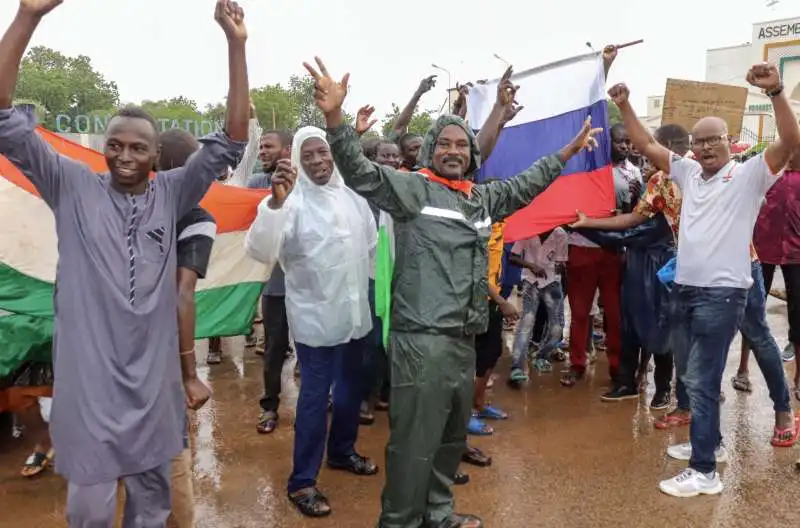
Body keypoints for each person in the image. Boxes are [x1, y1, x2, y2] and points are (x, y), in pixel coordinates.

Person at [303, 56, 601, 528]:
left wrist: (569, 151)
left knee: (447, 436)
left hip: (463, 340)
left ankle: (437, 512)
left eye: (461, 145)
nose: (453, 150)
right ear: (430, 151)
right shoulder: (411, 192)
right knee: (413, 441)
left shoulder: (481, 200)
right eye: (444, 143)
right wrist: (336, 119)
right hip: (420, 341)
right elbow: (359, 172)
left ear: (472, 154)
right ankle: (399, 520)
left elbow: (527, 185)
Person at [0, 1, 250, 525]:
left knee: (151, 514)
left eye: (138, 146)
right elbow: (3, 117)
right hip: (88, 390)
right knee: (88, 512)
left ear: (156, 156)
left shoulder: (173, 194)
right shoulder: (70, 186)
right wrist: (27, 17)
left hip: (154, 392)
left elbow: (232, 139)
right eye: (115, 144)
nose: (125, 154)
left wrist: (236, 45)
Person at [610, 61, 800, 498]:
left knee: (700, 376)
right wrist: (624, 104)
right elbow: (644, 142)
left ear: (729, 143)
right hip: (684, 291)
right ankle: (710, 445)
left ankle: (705, 472)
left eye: (714, 139)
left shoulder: (749, 174)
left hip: (723, 295)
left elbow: (789, 141)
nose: (706, 147)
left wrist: (776, 93)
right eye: (699, 141)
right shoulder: (688, 172)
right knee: (697, 377)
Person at [244, 126, 379, 518]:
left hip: (355, 316)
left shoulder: (352, 196)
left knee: (352, 391)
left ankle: (342, 451)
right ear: (298, 160)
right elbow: (260, 250)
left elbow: (369, 246)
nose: (319, 161)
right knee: (315, 400)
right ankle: (302, 482)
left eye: (324, 153)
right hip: (315, 320)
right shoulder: (289, 201)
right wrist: (274, 204)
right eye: (309, 156)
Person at [570, 124, 687, 409]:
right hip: (641, 262)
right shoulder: (666, 178)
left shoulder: (672, 181)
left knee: (659, 325)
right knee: (629, 323)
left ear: (669, 147)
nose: (644, 153)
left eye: (651, 147)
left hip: (658, 263)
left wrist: (585, 226)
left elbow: (629, 230)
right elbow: (633, 221)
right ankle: (628, 382)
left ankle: (660, 389)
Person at [156, 128, 217, 528]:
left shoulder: (126, 201)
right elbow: (183, 293)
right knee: (169, 455)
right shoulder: (197, 218)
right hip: (157, 357)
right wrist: (189, 373)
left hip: (108, 347)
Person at [251, 129, 294, 435]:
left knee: (316, 348)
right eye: (260, 146)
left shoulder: (310, 184)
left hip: (310, 287)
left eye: (269, 146)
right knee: (274, 350)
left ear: (288, 150)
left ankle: (320, 401)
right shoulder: (255, 184)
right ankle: (269, 407)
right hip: (275, 285)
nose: (263, 151)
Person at [752, 148, 800, 376]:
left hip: (796, 253)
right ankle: (743, 369)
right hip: (763, 248)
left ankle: (798, 377)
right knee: (753, 306)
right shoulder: (768, 176)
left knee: (798, 311)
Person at [507, 227, 568, 384]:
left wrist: (561, 267)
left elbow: (561, 264)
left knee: (557, 327)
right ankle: (517, 366)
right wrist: (531, 265)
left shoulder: (560, 234)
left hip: (552, 282)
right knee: (526, 323)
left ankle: (541, 355)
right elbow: (512, 257)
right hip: (530, 281)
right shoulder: (529, 230)